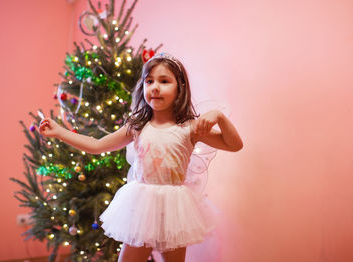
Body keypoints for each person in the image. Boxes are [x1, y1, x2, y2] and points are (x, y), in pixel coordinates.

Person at [38, 52, 243, 262]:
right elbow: (97, 145)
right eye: (149, 81)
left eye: (164, 81)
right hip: (141, 208)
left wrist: (219, 116)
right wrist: (60, 132)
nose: (155, 87)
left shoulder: (190, 128)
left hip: (174, 209)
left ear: (180, 88)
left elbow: (235, 145)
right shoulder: (137, 126)